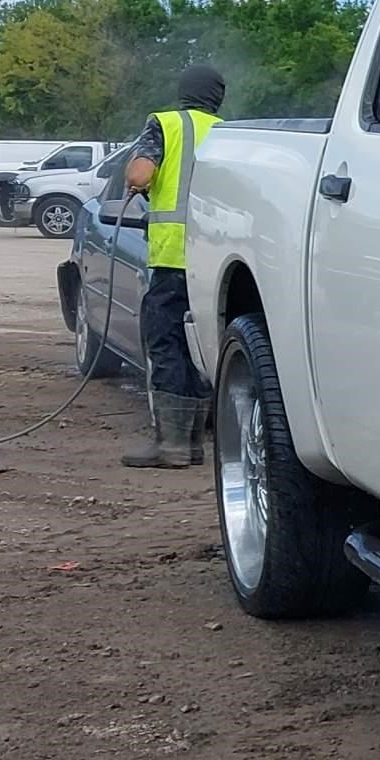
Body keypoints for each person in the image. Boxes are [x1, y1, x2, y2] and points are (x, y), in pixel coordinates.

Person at [119, 63, 225, 469]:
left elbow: (142, 171)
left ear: (183, 92)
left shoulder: (166, 124)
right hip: (214, 264)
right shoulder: (227, 134)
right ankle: (193, 444)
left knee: (166, 345)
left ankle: (172, 445)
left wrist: (136, 179)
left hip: (172, 259)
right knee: (199, 348)